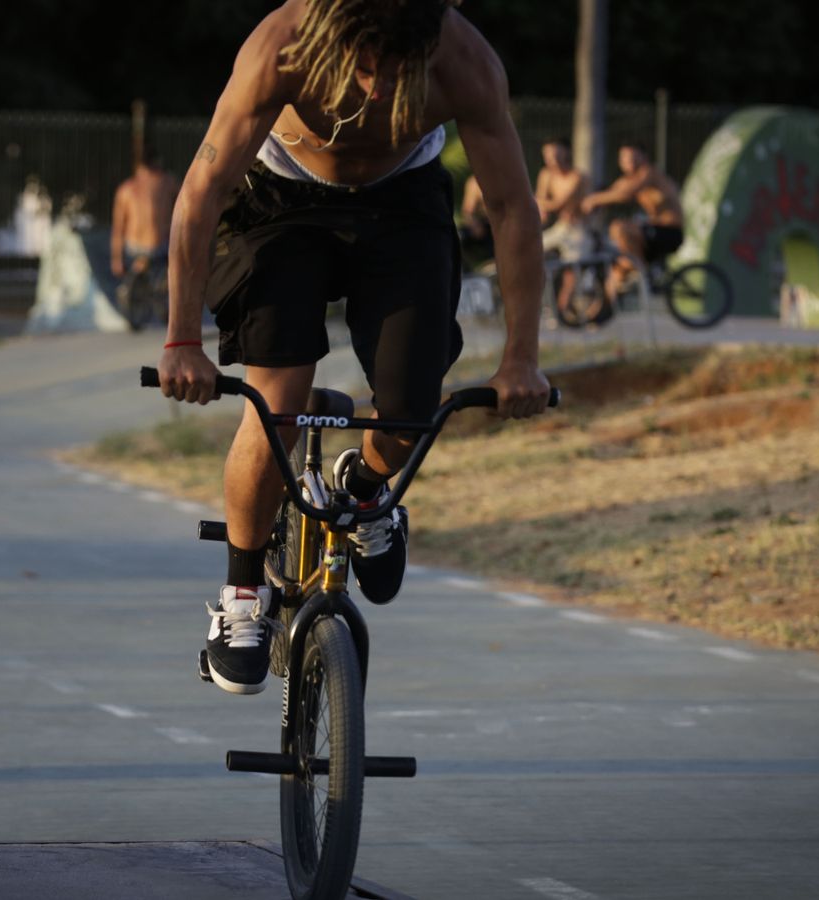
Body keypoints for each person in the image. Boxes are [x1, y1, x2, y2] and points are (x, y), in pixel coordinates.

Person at [154, 0, 553, 695]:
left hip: (401, 205)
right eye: (366, 69)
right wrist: (183, 340)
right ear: (332, 37)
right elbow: (202, 191)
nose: (380, 89)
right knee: (275, 405)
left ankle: (364, 493)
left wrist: (521, 358)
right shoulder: (281, 48)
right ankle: (244, 595)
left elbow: (512, 208)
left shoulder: (465, 63)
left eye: (400, 70)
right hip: (280, 204)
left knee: (409, 409)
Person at [580, 141, 684, 300]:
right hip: (650, 232)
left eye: (634, 157)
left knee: (619, 227)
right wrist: (590, 207)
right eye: (625, 158)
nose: (629, 162)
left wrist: (594, 200)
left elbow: (624, 194)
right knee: (617, 271)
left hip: (669, 232)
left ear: (644, 157)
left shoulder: (648, 173)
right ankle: (601, 309)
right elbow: (612, 193)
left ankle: (640, 268)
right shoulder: (628, 180)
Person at [110, 147, 180, 325]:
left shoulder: (125, 189)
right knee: (174, 264)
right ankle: (165, 289)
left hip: (134, 247)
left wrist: (116, 259)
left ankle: (137, 277)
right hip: (161, 246)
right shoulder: (167, 182)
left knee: (143, 261)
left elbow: (118, 228)